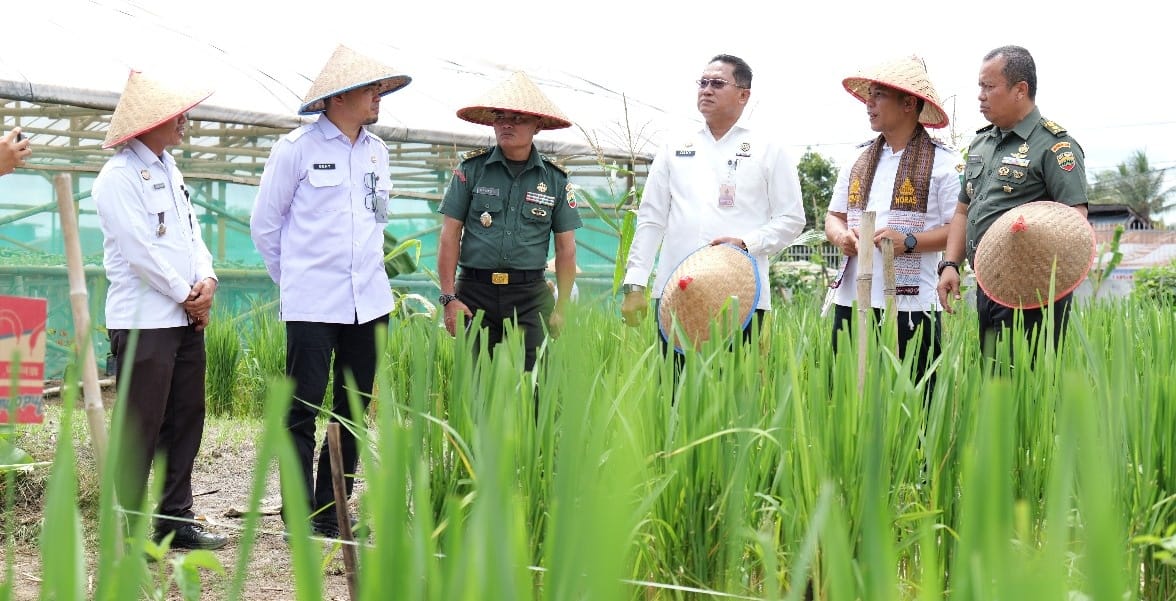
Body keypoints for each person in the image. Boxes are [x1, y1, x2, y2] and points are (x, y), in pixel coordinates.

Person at [250, 45, 411, 538]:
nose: (379, 96)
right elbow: (264, 225)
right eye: (371, 88)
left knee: (354, 407)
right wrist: (296, 280)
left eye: (381, 88)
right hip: (313, 303)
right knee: (303, 407)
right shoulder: (296, 149)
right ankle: (299, 512)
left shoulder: (377, 153)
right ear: (339, 97)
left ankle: (333, 509)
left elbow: (376, 224)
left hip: (371, 301)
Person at [92, 70, 227, 549]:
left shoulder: (170, 169)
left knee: (185, 416)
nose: (185, 122)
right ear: (149, 122)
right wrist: (186, 296)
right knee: (140, 424)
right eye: (176, 115)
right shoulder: (118, 177)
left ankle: (175, 520)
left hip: (181, 316)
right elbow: (139, 252)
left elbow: (191, 236)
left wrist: (207, 280)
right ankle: (125, 532)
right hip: (146, 319)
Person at [620, 54, 805, 346]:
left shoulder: (768, 149)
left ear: (744, 95)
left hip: (740, 293)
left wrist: (746, 244)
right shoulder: (675, 146)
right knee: (673, 387)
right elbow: (651, 219)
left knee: (735, 387)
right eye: (703, 83)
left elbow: (792, 219)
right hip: (676, 291)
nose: (706, 90)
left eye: (717, 83)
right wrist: (635, 283)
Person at [936, 45, 1088, 358]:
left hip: (1033, 291)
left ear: (1020, 90)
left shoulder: (1055, 146)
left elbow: (1075, 223)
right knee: (994, 384)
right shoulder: (982, 143)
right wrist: (950, 264)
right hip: (988, 284)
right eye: (980, 86)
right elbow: (964, 210)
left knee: (1029, 386)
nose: (980, 95)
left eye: (989, 87)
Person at [825, 56, 959, 387]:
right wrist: (842, 237)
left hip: (913, 302)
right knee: (847, 397)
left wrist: (909, 241)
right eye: (869, 94)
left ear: (908, 104)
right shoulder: (857, 159)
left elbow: (959, 227)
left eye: (879, 95)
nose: (868, 103)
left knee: (917, 401)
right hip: (853, 299)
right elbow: (834, 216)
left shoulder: (944, 163)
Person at [436, 71, 581, 374]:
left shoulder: (554, 180)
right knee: (475, 390)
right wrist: (449, 298)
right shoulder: (471, 170)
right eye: (500, 117)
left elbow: (566, 249)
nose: (506, 124)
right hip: (474, 294)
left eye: (517, 118)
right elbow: (450, 236)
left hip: (530, 296)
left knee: (537, 388)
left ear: (537, 125)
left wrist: (562, 307)